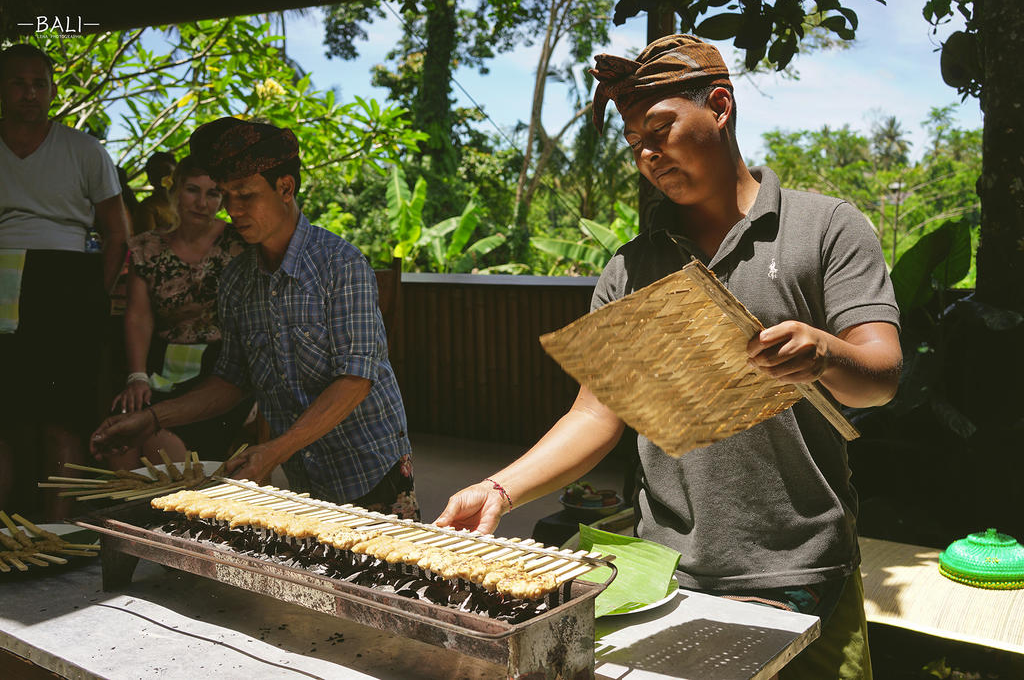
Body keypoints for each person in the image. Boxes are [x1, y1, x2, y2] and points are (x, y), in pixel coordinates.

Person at [436, 35, 902, 679]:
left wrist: (823, 353)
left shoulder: (822, 228)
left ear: (719, 105)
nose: (649, 155)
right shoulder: (631, 266)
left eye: (661, 129)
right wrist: (498, 489)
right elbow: (597, 415)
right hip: (667, 575)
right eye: (635, 144)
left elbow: (880, 379)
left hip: (805, 570)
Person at [90, 117, 418, 520]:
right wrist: (150, 419)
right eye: (227, 196)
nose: (232, 210)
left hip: (369, 464)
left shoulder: (340, 264)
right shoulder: (236, 280)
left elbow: (355, 380)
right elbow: (232, 380)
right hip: (305, 473)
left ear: (285, 188)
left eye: (245, 196)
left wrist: (274, 450)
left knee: (392, 577)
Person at [0, 44, 130, 518]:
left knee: (64, 419)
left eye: (40, 83)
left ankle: (61, 535)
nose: (30, 93)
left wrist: (90, 298)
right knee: (3, 418)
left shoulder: (83, 149)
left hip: (66, 281)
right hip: (2, 277)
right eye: (18, 82)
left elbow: (116, 233)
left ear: (53, 90)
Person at [108, 155, 248, 469]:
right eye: (192, 190)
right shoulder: (148, 247)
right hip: (160, 366)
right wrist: (137, 376)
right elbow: (138, 316)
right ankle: (130, 518)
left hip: (221, 371)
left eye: (212, 193)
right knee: (121, 443)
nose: (201, 202)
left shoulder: (240, 244)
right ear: (175, 191)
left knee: (161, 447)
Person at [133, 151, 177, 234]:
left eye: (167, 171)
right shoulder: (148, 208)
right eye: (158, 173)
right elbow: (148, 242)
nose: (163, 177)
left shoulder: (187, 203)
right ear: (150, 179)